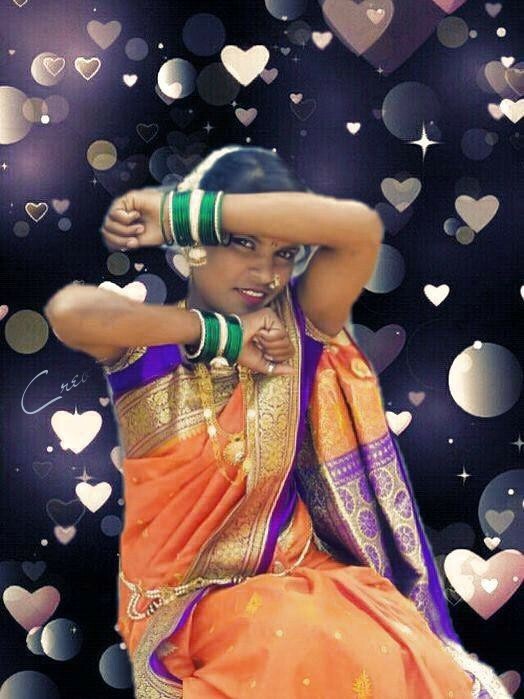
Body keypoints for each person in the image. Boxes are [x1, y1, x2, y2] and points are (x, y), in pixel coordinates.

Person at [43, 145, 510, 698]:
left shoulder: (293, 339)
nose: (264, 272)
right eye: (243, 244)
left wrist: (180, 212)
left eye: (283, 252)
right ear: (195, 246)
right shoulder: (152, 346)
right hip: (186, 606)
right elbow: (68, 313)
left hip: (303, 573)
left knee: (396, 643)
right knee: (300, 639)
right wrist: (216, 334)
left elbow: (357, 232)